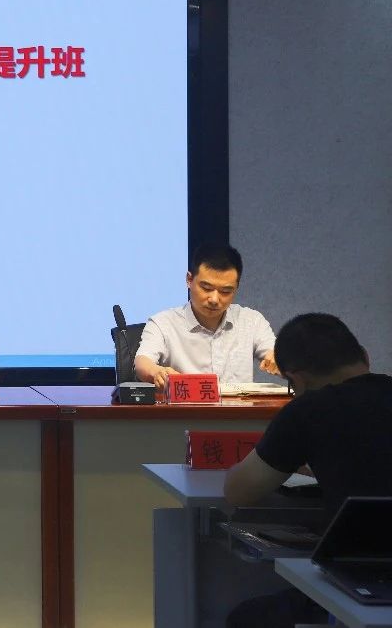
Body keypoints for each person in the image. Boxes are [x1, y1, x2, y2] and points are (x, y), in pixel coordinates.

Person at [223, 313, 392, 628]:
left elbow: (238, 492)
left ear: (296, 380)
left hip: (363, 578)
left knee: (244, 618)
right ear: (364, 357)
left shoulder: (308, 411)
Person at [134, 243, 278, 390]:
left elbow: (275, 352)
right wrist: (156, 372)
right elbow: (142, 361)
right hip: (185, 404)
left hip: (239, 405)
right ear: (189, 280)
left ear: (236, 288)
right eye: (206, 288)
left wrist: (277, 358)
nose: (214, 299)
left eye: (225, 291)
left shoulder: (252, 321)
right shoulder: (163, 323)